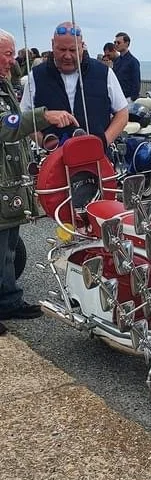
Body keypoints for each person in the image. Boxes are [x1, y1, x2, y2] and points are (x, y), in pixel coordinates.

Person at [0, 29, 77, 332]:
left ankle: (8, 301)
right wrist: (45, 115)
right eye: (8, 54)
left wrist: (11, 62)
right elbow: (5, 125)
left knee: (6, 246)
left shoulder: (5, 83)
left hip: (8, 183)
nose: (14, 59)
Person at [21, 22, 128, 150]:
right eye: (61, 50)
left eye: (73, 50)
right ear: (52, 45)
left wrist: (103, 142)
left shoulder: (104, 73)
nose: (67, 56)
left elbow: (122, 113)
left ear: (82, 46)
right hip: (54, 160)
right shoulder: (36, 76)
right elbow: (24, 116)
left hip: (98, 159)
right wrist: (43, 142)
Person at [112, 32, 141, 101]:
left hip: (127, 99)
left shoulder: (133, 62)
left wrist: (131, 99)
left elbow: (136, 83)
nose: (116, 44)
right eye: (115, 42)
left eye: (118, 42)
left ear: (126, 44)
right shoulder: (117, 61)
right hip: (116, 98)